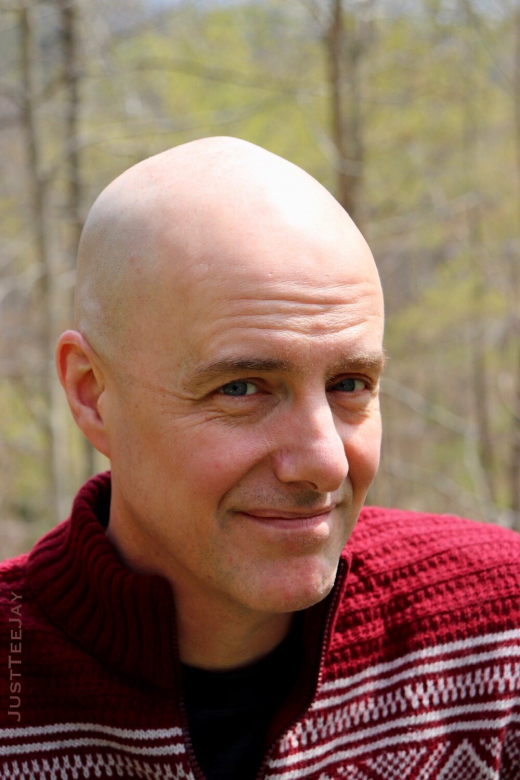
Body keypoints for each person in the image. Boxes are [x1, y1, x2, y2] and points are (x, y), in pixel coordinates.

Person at [0, 137, 519, 780]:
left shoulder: (497, 640)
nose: (325, 463)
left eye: (349, 384)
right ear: (92, 394)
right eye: (242, 388)